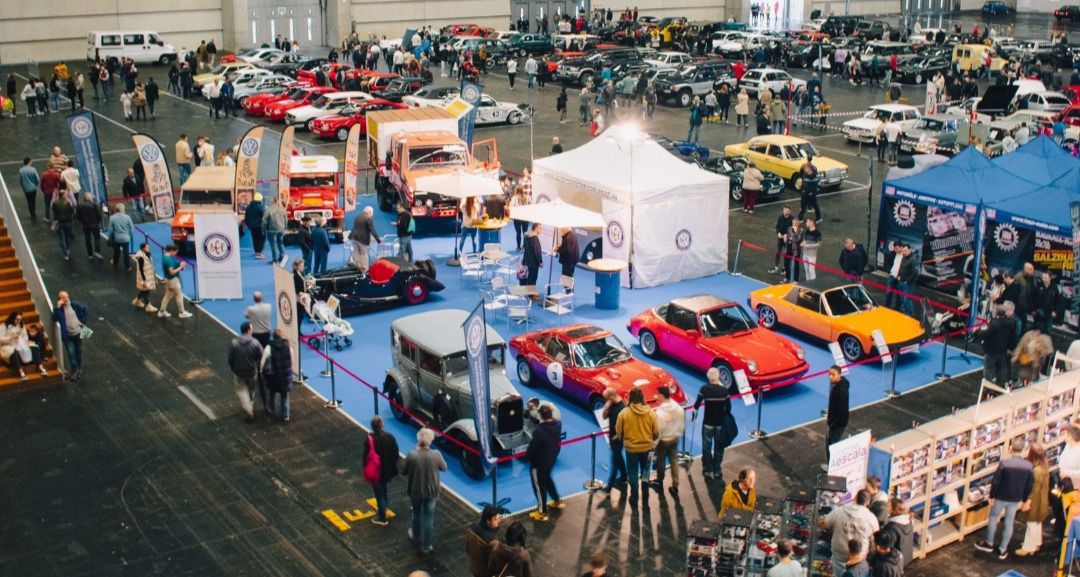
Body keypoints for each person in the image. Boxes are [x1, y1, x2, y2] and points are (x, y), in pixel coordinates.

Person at [975, 436, 1034, 561]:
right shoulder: (1029, 466)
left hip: (1001, 496)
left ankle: (989, 544)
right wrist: (1024, 500)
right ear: (1023, 449)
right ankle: (1003, 549)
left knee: (993, 517)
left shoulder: (1005, 463)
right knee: (1009, 522)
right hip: (1015, 498)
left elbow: (996, 481)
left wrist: (992, 496)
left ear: (1011, 448)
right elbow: (1029, 485)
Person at [403, 428, 447, 555]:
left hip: (416, 490)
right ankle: (427, 546)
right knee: (429, 518)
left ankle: (416, 537)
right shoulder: (436, 454)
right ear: (430, 440)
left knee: (416, 514)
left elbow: (403, 470)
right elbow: (444, 467)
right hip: (432, 491)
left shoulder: (412, 454)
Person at [616, 388, 659, 507]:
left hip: (631, 449)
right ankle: (645, 496)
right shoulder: (650, 413)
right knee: (645, 473)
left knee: (633, 473)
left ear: (630, 398)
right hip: (648, 449)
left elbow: (619, 432)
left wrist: (624, 440)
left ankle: (634, 496)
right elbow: (656, 432)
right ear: (642, 398)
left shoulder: (623, 413)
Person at [694, 367, 735, 481]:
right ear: (718, 377)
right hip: (720, 424)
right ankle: (717, 470)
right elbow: (729, 408)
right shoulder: (724, 391)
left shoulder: (704, 389)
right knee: (719, 447)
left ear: (708, 377)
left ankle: (707, 470)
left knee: (706, 447)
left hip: (707, 423)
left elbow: (696, 405)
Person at [824, 490, 880, 572]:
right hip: (858, 559)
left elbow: (824, 523)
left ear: (855, 498)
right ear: (868, 502)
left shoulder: (839, 511)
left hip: (839, 556)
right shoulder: (872, 519)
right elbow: (875, 535)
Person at [527, 404, 563, 522]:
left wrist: (528, 456)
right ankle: (556, 500)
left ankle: (542, 511)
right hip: (551, 459)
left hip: (538, 463)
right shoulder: (557, 424)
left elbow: (532, 449)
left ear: (541, 415)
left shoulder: (539, 431)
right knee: (547, 480)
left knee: (539, 486)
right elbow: (546, 424)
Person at [363, 415, 400, 527]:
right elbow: (396, 454)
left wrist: (365, 468)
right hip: (387, 470)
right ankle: (384, 507)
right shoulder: (390, 437)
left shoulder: (369, 439)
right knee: (384, 490)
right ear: (382, 425)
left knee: (379, 494)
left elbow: (365, 456)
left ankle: (382, 516)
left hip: (376, 471)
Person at [1016, 443, 1049, 557]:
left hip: (1036, 502)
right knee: (1037, 523)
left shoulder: (1037, 471)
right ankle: (1036, 544)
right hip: (1042, 500)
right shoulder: (1045, 466)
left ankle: (1028, 547)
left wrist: (1028, 502)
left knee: (1032, 524)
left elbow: (1034, 489)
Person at [228, 322, 265, 422]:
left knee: (241, 391)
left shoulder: (234, 343)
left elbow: (230, 359)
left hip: (239, 373)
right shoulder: (255, 342)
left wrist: (234, 369)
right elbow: (261, 356)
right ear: (248, 330)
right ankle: (251, 402)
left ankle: (248, 409)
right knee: (251, 389)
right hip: (252, 372)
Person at [653, 386, 685, 497]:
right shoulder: (678, 408)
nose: (656, 396)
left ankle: (659, 479)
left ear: (662, 395)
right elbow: (681, 424)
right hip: (675, 438)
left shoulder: (659, 413)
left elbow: (658, 431)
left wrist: (654, 443)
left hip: (664, 440)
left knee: (660, 461)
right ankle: (675, 484)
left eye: (657, 394)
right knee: (674, 461)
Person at [0, 312, 48, 380]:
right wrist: (11, 338)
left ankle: (40, 366)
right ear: (12, 318)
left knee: (34, 346)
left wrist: (22, 339)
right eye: (17, 319)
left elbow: (25, 336)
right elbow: (1, 339)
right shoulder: (4, 326)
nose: (18, 321)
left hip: (19, 343)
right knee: (13, 351)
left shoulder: (21, 325)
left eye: (20, 319)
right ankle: (20, 371)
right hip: (8, 345)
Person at [52, 291, 88, 380]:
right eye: (63, 297)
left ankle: (78, 368)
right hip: (68, 336)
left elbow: (85, 309)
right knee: (71, 353)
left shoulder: (74, 305)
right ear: (59, 299)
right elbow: (54, 318)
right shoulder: (59, 309)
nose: (66, 299)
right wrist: (57, 307)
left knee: (78, 351)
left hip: (78, 333)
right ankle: (75, 370)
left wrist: (83, 320)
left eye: (67, 297)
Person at [260, 328, 294, 421]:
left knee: (271, 394)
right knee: (285, 396)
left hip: (273, 377)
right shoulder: (289, 347)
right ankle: (286, 415)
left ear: (273, 336)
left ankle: (271, 410)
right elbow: (292, 360)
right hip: (285, 376)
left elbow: (263, 361)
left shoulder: (269, 347)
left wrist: (261, 371)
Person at [600, 388, 628, 493]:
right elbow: (604, 417)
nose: (605, 400)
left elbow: (626, 427)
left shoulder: (622, 408)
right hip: (612, 437)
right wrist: (606, 408)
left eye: (606, 398)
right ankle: (624, 476)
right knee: (619, 458)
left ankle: (609, 486)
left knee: (615, 462)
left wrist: (617, 436)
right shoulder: (610, 403)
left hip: (618, 438)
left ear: (611, 396)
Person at [465, 505, 501, 576]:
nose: (499, 521)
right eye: (496, 519)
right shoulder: (493, 541)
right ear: (488, 521)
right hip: (484, 573)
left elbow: (467, 550)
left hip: (472, 567)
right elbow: (493, 564)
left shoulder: (471, 528)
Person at [158, 244, 192, 319]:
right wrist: (181, 267)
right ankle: (182, 312)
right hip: (173, 280)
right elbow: (172, 272)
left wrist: (180, 264)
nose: (176, 253)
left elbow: (174, 263)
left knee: (167, 296)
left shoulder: (165, 257)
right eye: (176, 252)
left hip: (167, 279)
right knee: (179, 295)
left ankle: (161, 312)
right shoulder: (168, 260)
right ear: (171, 251)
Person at [826, 365, 849, 465]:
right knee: (831, 444)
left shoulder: (841, 391)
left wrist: (832, 425)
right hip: (835, 422)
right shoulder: (840, 384)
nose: (830, 377)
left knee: (832, 446)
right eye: (829, 374)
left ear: (839, 375)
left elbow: (842, 411)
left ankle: (832, 467)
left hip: (837, 424)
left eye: (833, 374)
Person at [880, 499, 914, 567]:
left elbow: (888, 547)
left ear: (893, 510)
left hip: (897, 561)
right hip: (907, 556)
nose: (886, 507)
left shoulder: (892, 527)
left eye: (888, 506)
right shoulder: (909, 521)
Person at [348, 206, 379, 271]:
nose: (372, 215)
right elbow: (372, 231)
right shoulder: (368, 219)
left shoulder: (357, 217)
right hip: (363, 240)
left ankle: (357, 269)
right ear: (369, 212)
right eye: (372, 214)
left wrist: (350, 237)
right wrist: (378, 240)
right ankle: (364, 270)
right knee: (364, 255)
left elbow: (354, 227)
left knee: (356, 254)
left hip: (354, 238)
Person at [75, 192, 103, 261]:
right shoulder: (94, 205)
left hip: (85, 225)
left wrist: (82, 221)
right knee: (97, 238)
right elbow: (99, 215)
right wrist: (97, 221)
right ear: (89, 198)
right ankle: (97, 251)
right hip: (94, 224)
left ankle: (90, 254)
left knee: (87, 239)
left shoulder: (80, 205)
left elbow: (78, 216)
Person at [130, 243, 158, 313]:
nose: (148, 248)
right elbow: (141, 269)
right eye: (147, 247)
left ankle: (137, 301)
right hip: (144, 276)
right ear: (143, 248)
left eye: (148, 247)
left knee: (144, 289)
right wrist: (144, 280)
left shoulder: (148, 254)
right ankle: (148, 305)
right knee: (146, 290)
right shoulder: (141, 257)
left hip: (148, 275)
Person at [105, 203, 133, 270]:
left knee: (116, 252)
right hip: (126, 238)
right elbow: (131, 228)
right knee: (126, 252)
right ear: (123, 209)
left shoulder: (112, 218)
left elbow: (110, 230)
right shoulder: (127, 217)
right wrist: (130, 235)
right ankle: (127, 266)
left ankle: (115, 263)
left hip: (117, 238)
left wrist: (109, 237)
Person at [769, 206, 794, 274]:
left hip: (787, 240)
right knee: (778, 252)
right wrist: (778, 233)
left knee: (786, 254)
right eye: (784, 210)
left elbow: (793, 230)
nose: (785, 211)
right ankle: (776, 267)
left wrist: (787, 235)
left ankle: (785, 268)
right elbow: (777, 227)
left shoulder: (792, 220)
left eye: (786, 210)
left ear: (790, 211)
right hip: (780, 239)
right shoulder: (780, 217)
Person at [262, 198, 286, 264]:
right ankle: (282, 256)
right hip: (281, 229)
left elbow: (264, 221)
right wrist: (285, 228)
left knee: (273, 245)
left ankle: (275, 260)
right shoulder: (282, 209)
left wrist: (263, 229)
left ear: (272, 202)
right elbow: (286, 219)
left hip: (271, 230)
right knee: (280, 243)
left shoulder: (268, 210)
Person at [244, 192, 267, 259]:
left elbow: (246, 217)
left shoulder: (249, 207)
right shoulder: (261, 207)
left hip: (252, 227)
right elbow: (264, 217)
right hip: (260, 226)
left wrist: (248, 225)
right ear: (260, 199)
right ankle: (259, 253)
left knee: (255, 239)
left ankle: (257, 252)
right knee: (262, 239)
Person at [18, 158, 40, 222]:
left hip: (26, 189)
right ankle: (33, 212)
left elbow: (21, 180)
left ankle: (31, 213)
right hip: (33, 188)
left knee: (29, 201)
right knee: (33, 200)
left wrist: (23, 187)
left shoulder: (21, 170)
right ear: (29, 162)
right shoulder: (33, 169)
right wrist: (35, 184)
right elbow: (37, 179)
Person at [521, 223, 543, 287]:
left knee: (527, 278)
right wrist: (540, 261)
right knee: (533, 279)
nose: (541, 230)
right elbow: (537, 251)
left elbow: (525, 248)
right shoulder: (534, 238)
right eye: (540, 228)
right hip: (533, 263)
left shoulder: (527, 236)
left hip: (526, 261)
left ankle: (528, 293)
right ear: (536, 228)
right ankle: (531, 295)